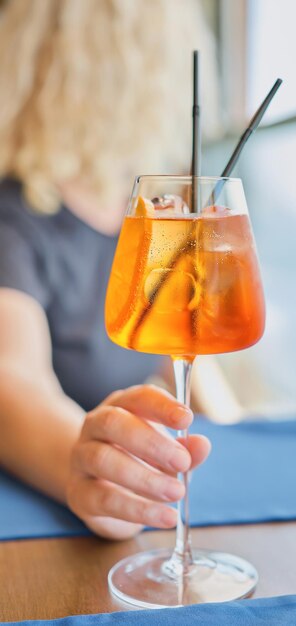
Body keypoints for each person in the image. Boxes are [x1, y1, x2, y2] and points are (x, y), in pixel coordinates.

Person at [0, 0, 219, 540]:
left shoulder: (149, 211)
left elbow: (180, 363)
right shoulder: (14, 217)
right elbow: (13, 378)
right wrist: (83, 462)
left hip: (155, 499)